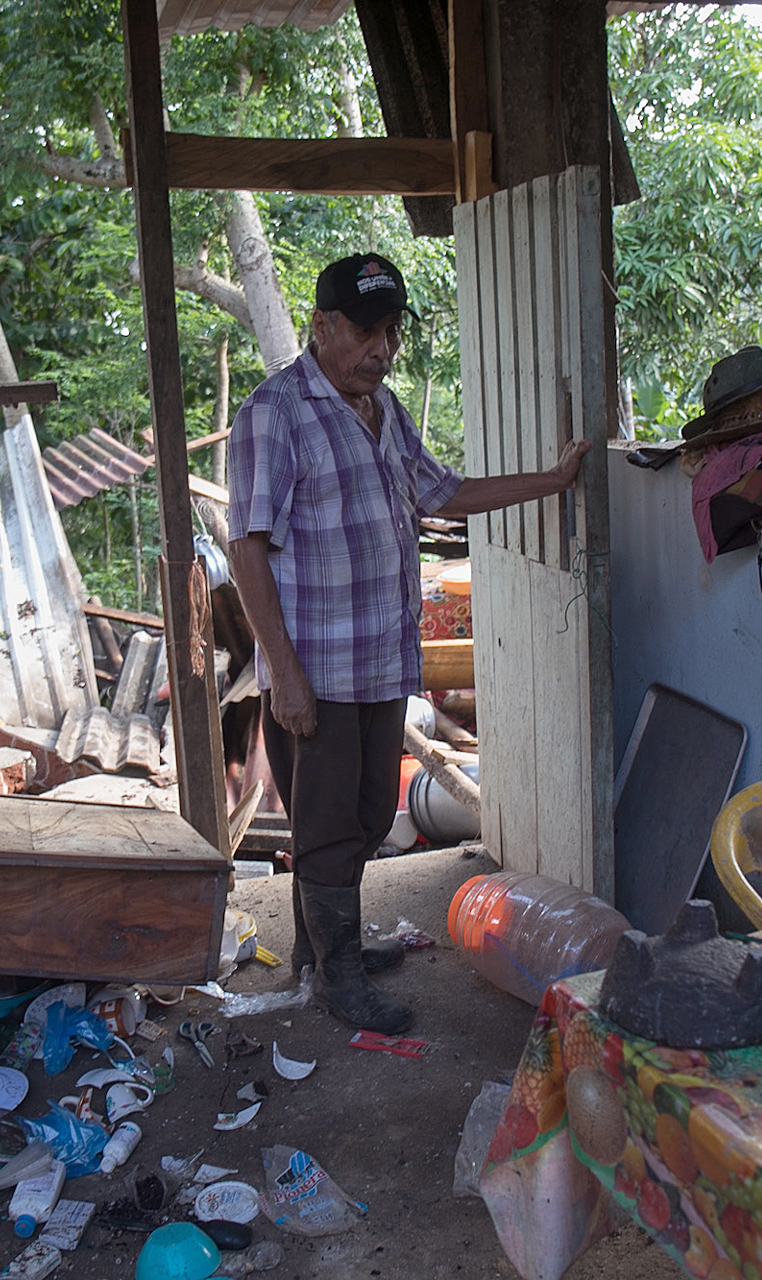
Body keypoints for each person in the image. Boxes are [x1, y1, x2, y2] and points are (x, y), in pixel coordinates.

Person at [226, 253, 589, 1034]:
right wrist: (283, 676)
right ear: (321, 326)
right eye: (364, 332)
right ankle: (337, 978)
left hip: (379, 660)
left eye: (390, 332)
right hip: (315, 670)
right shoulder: (275, 413)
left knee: (359, 818)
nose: (381, 349)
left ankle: (325, 954)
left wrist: (551, 482)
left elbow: (444, 491)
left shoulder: (383, 409)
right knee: (326, 829)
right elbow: (245, 547)